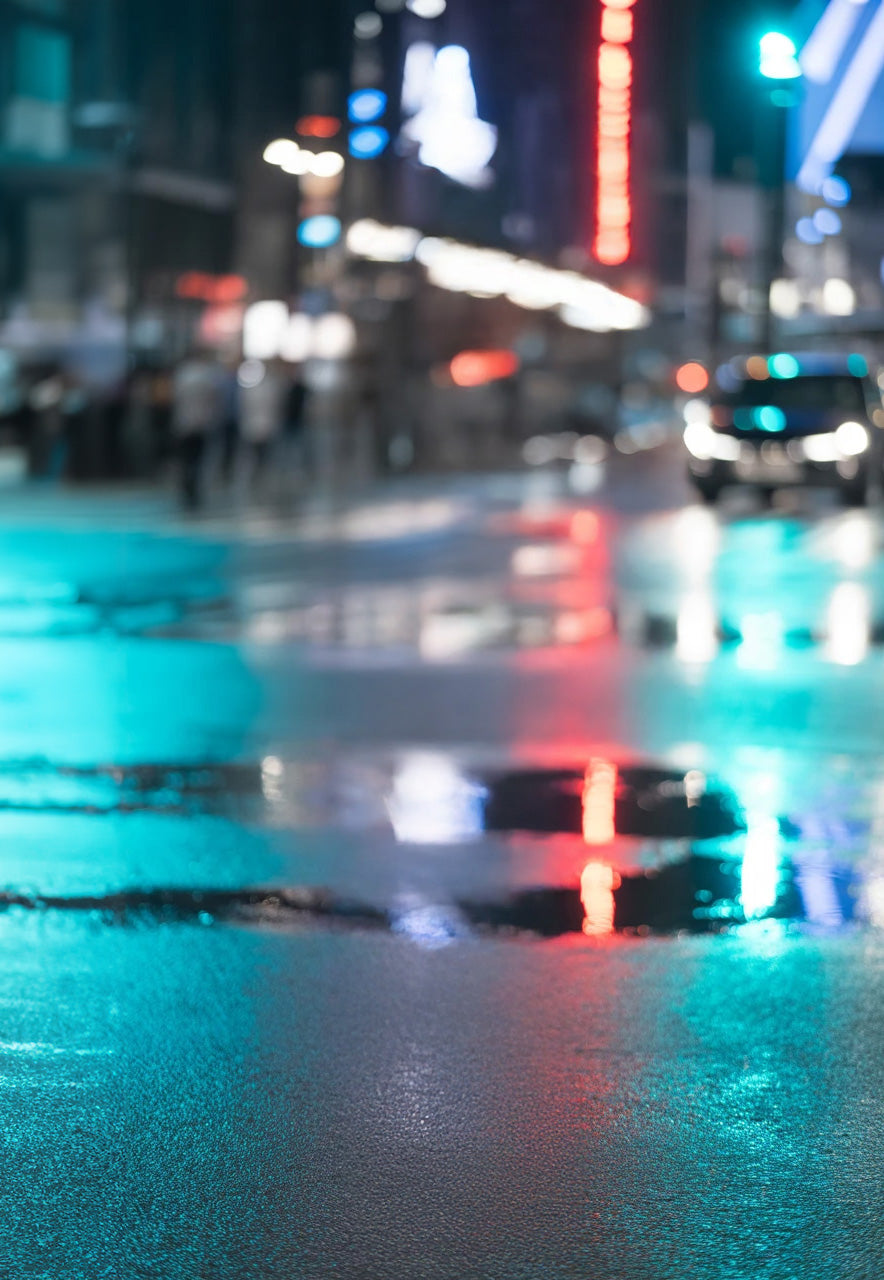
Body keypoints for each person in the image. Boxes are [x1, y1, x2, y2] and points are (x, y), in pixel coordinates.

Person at [171, 350, 224, 509]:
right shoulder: (207, 377)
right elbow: (214, 402)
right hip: (201, 425)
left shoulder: (182, 376)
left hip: (184, 425)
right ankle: (194, 489)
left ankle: (187, 488)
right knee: (197, 461)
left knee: (186, 460)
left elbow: (176, 400)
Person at [237, 359, 287, 498]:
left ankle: (260, 475)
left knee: (262, 455)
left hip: (263, 427)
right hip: (256, 428)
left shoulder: (267, 388)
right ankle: (257, 475)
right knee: (258, 455)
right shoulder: (252, 389)